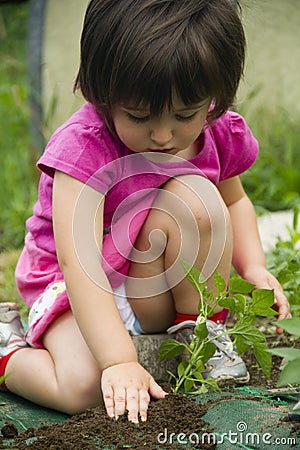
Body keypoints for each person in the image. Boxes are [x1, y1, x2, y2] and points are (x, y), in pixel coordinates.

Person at [0, 0, 290, 423]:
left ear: (215, 96)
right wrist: (118, 360)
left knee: (199, 196)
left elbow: (233, 200)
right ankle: (9, 350)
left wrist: (256, 266)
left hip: (150, 279)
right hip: (81, 282)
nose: (162, 134)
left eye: (185, 114)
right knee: (81, 387)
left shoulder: (216, 131)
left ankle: (199, 330)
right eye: (138, 116)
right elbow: (77, 262)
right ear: (104, 93)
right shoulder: (85, 147)